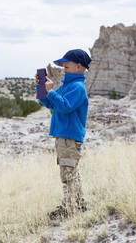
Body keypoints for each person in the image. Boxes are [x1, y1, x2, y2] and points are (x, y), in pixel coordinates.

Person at [35, 49, 91, 219]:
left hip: (69, 137)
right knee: (70, 171)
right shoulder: (67, 86)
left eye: (66, 67)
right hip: (64, 136)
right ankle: (79, 205)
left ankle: (69, 208)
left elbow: (65, 106)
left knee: (67, 173)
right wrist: (42, 89)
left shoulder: (77, 87)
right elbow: (50, 104)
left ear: (79, 66)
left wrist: (51, 91)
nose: (63, 70)